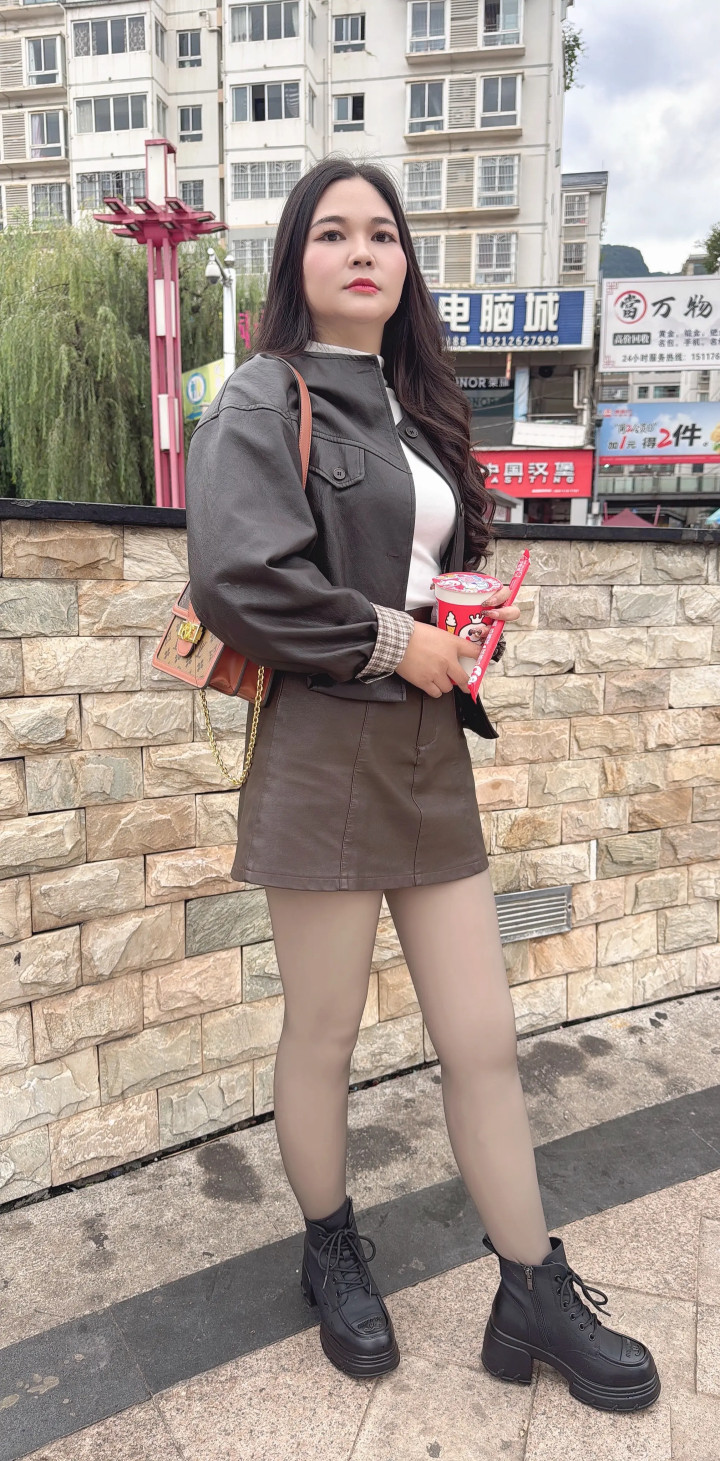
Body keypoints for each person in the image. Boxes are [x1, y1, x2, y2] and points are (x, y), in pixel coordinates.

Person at [185, 157, 659, 1413]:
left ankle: (531, 1289)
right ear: (295, 261)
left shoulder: (415, 410)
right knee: (325, 1033)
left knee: (484, 1040)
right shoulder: (263, 396)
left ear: (405, 265)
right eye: (333, 232)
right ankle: (330, 1248)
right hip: (322, 752)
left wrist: (466, 616)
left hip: (426, 753)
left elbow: (417, 560)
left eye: (383, 235)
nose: (362, 251)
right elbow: (241, 578)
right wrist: (405, 642)